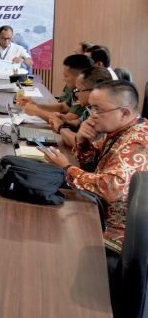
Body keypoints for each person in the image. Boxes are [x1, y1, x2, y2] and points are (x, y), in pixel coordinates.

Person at [41, 80, 148, 288]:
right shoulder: (119, 129)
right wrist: (82, 140)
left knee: (53, 246)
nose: (91, 115)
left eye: (98, 109)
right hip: (98, 212)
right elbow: (92, 163)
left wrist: (67, 169)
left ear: (124, 112)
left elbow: (111, 187)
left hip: (120, 234)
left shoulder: (138, 142)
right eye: (90, 107)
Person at [16, 54, 93, 129]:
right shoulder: (76, 89)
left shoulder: (84, 94)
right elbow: (63, 107)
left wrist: (36, 111)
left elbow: (66, 120)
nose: (63, 79)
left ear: (80, 77)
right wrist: (35, 105)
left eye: (66, 76)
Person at [58, 66, 114, 148]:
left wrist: (61, 128)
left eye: (78, 90)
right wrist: (65, 122)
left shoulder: (103, 114)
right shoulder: (90, 108)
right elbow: (78, 122)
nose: (76, 94)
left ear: (94, 91)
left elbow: (80, 144)